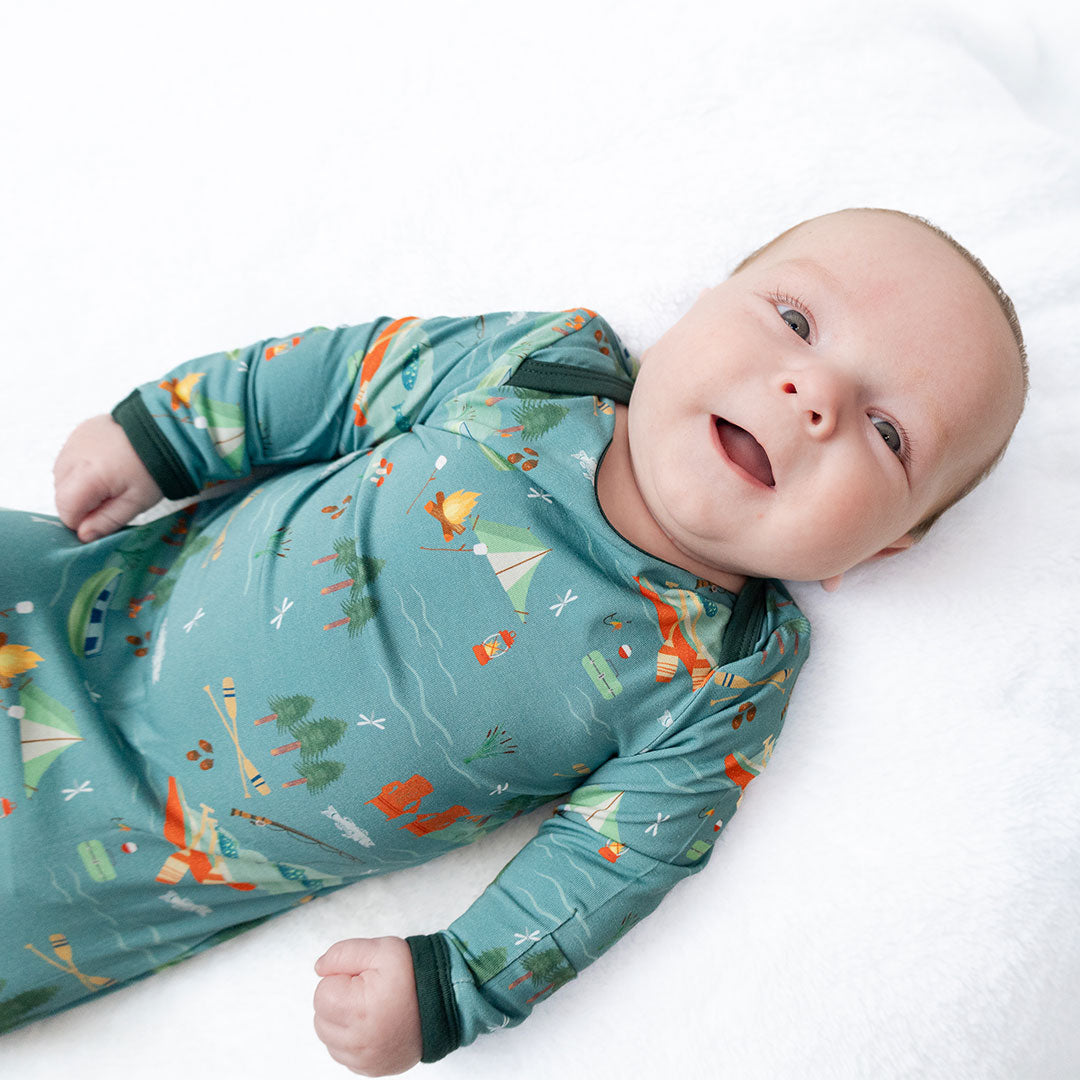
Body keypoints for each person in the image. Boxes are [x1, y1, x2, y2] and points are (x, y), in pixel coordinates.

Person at [0, 208, 1026, 1073]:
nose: (816, 396)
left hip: (112, 859)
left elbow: (615, 861)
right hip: (77, 598)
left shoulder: (726, 670)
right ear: (693, 310)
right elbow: (340, 377)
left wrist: (458, 983)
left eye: (888, 433)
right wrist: (168, 431)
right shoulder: (539, 370)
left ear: (879, 552)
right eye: (794, 318)